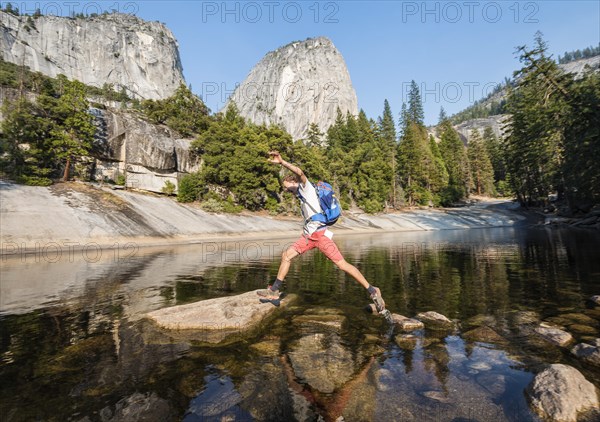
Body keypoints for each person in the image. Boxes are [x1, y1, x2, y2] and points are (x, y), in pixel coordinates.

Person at [257, 151, 386, 311]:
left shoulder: (306, 187)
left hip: (321, 236)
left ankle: (372, 290)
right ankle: (275, 289)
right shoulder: (301, 197)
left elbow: (300, 173)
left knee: (342, 265)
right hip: (308, 237)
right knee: (286, 256)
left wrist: (283, 162)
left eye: (287, 186)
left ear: (293, 182)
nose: (286, 190)